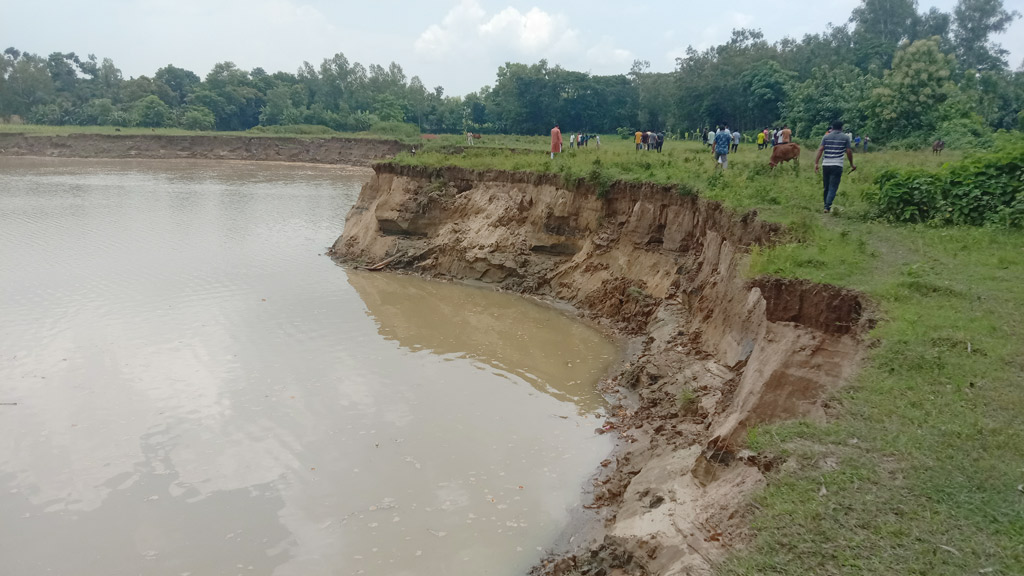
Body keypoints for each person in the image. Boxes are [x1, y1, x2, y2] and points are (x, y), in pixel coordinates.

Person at [814, 121, 856, 214]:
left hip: (826, 164)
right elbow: (849, 151)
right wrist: (852, 164)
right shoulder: (845, 137)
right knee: (833, 186)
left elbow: (821, 149)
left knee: (826, 186)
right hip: (837, 165)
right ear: (841, 128)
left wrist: (816, 163)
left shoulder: (826, 136)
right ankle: (827, 206)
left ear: (832, 127)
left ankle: (826, 205)